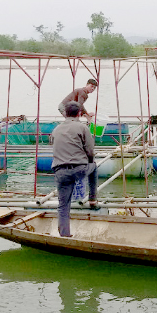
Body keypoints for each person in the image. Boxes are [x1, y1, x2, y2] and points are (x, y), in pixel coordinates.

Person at [51, 101, 99, 237]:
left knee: (63, 205)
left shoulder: (56, 129)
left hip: (60, 171)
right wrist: (88, 162)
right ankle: (93, 199)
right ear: (79, 114)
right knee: (94, 167)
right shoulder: (82, 128)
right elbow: (90, 151)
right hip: (79, 169)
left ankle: (65, 235)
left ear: (65, 113)